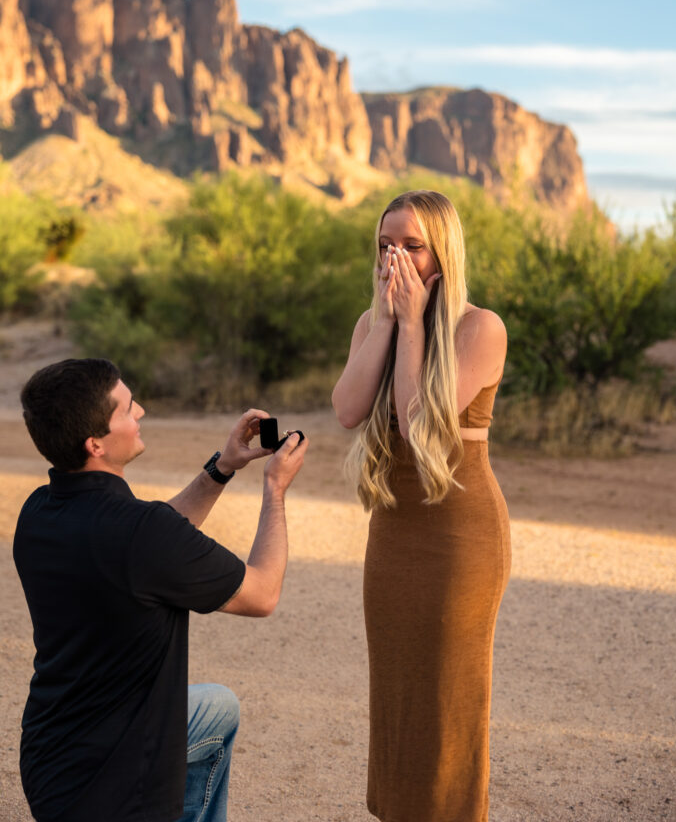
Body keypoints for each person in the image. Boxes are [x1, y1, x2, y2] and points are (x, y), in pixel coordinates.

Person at [13, 357, 308, 822]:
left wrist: (222, 468)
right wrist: (275, 491)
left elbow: (154, 540)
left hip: (52, 764)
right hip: (113, 791)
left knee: (218, 707)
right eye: (128, 409)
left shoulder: (38, 512)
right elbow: (263, 593)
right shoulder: (141, 534)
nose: (143, 411)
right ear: (96, 444)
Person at [332, 189, 510, 822]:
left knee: (450, 698)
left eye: (412, 246)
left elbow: (416, 426)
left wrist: (410, 325)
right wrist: (384, 322)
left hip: (459, 535)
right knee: (399, 694)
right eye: (386, 246)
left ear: (444, 252)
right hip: (395, 527)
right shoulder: (371, 322)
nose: (396, 260)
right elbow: (350, 409)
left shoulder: (480, 328)